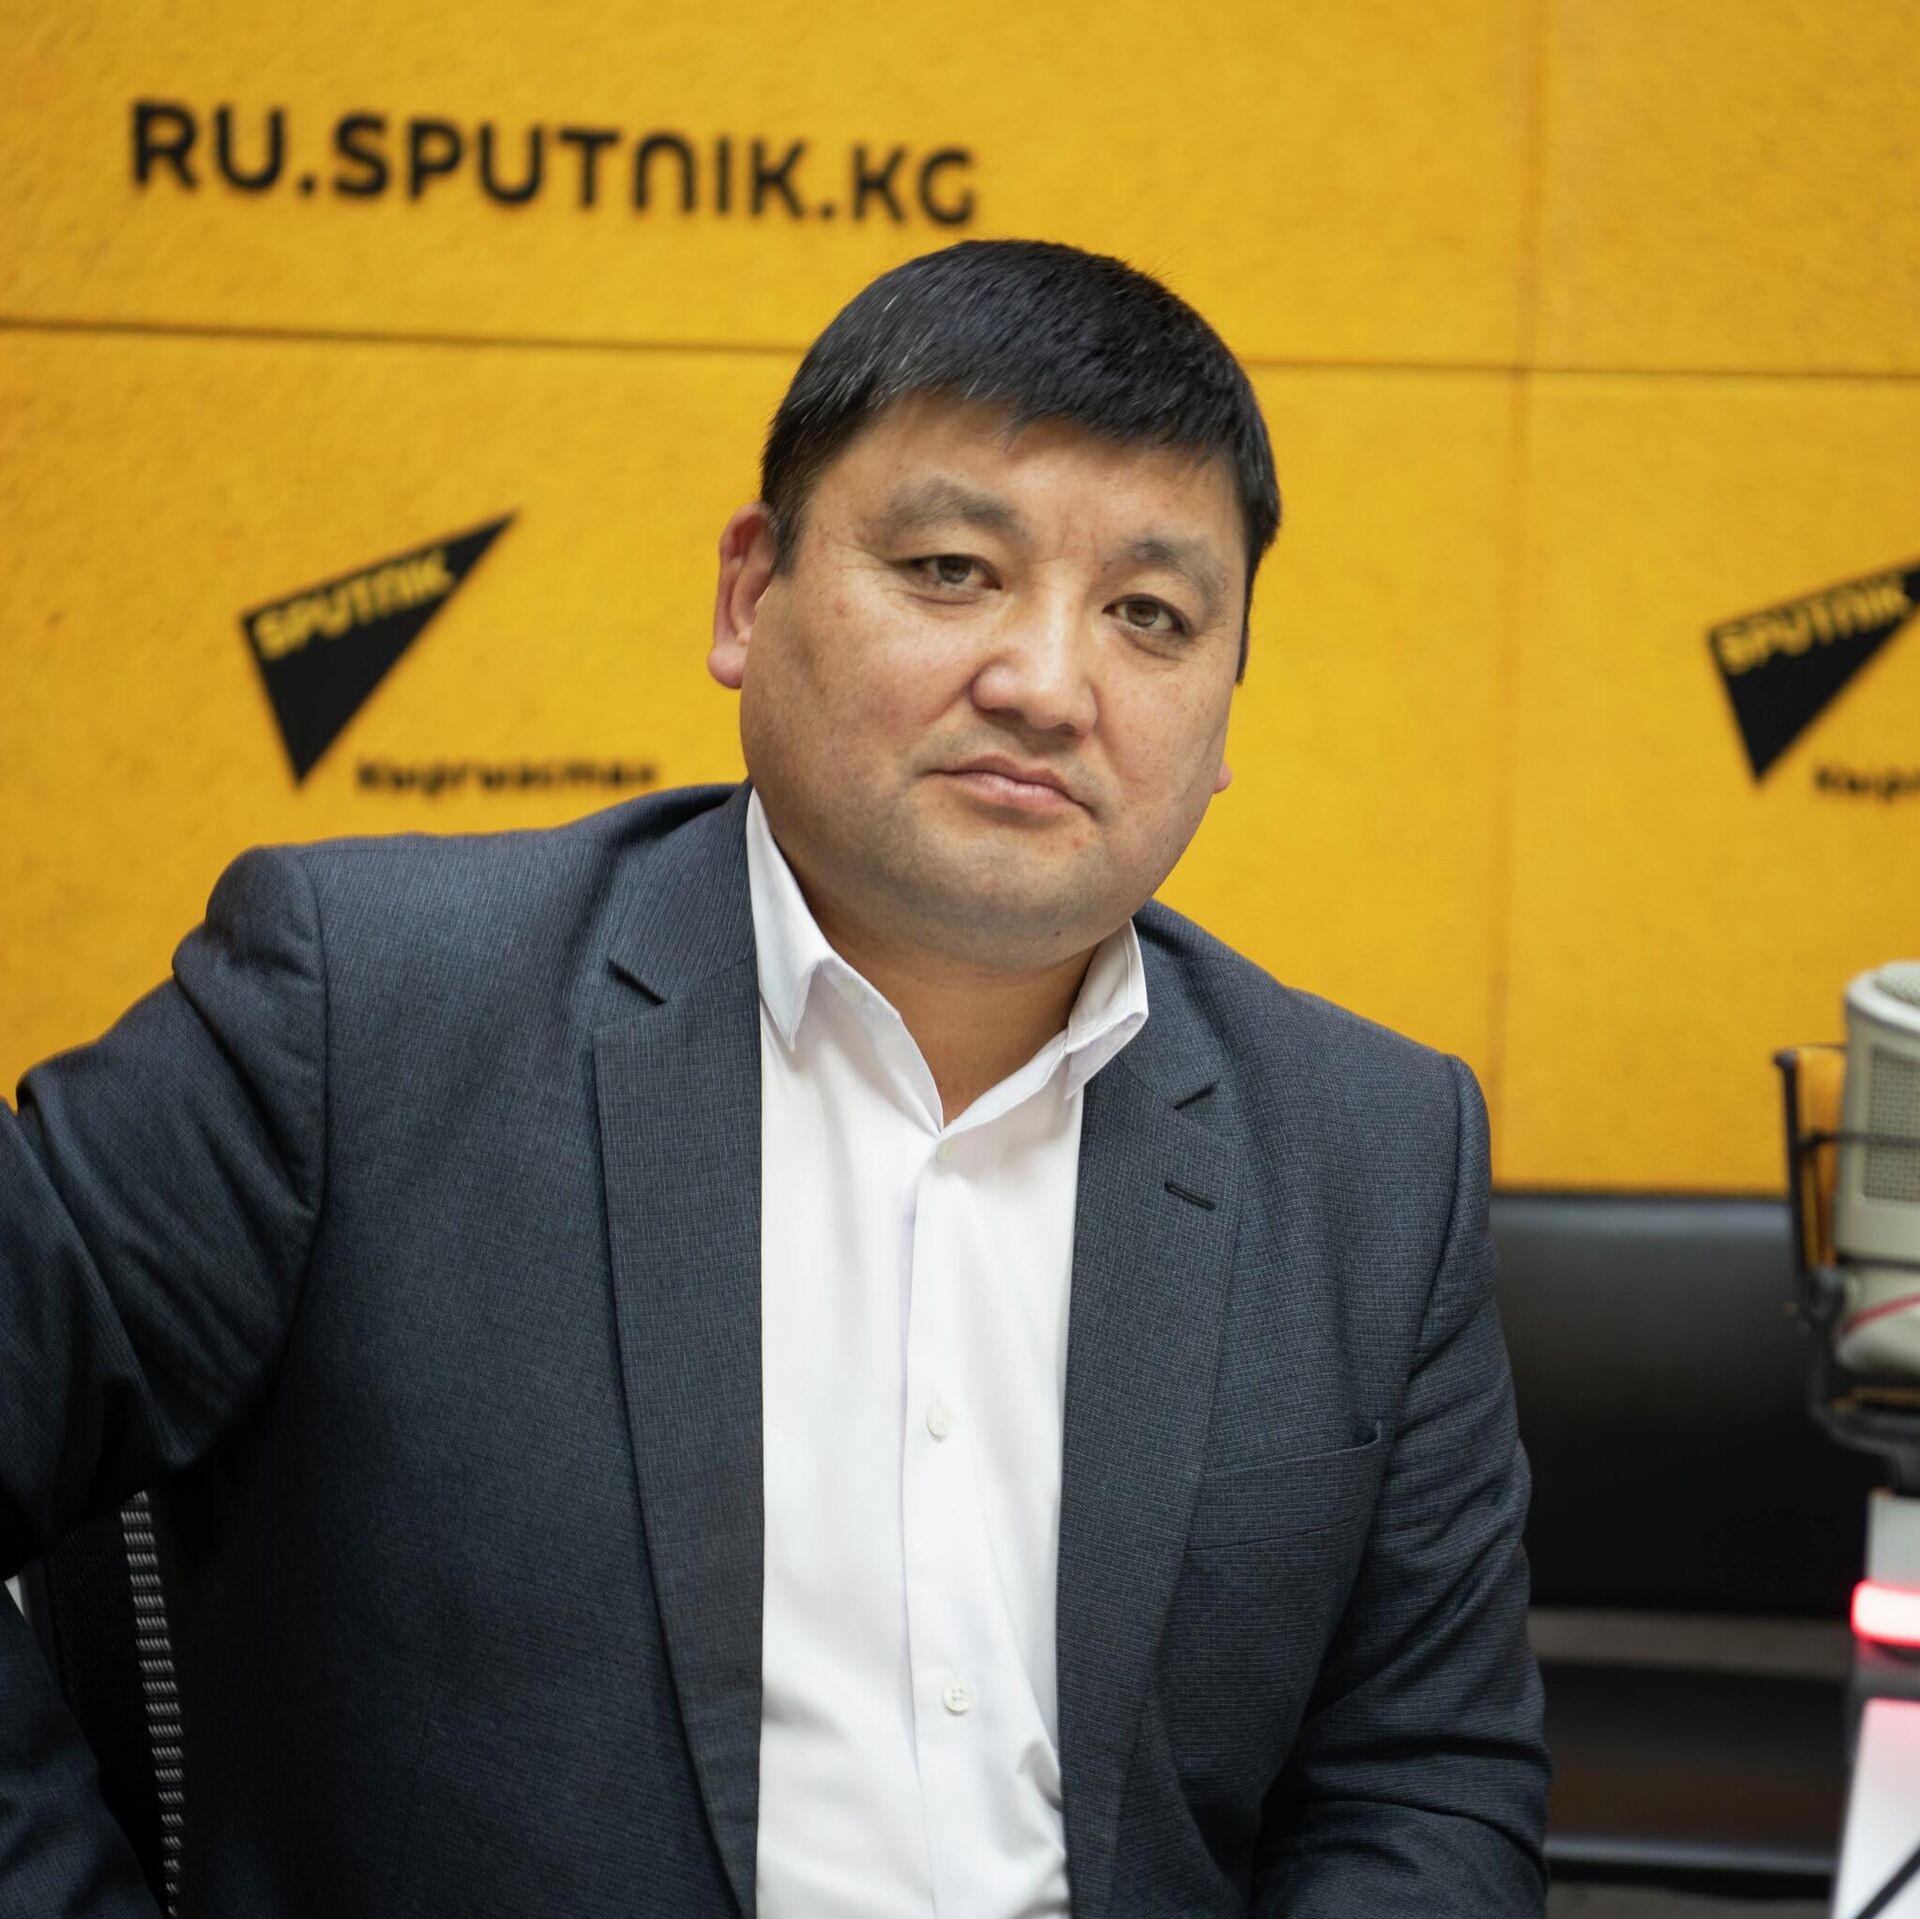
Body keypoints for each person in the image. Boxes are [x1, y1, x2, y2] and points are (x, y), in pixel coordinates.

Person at [1, 238, 1548, 1918]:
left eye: (1152, 618)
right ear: (751, 595)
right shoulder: (360, 1013)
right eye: (953, 570)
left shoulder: (1374, 1155)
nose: (1047, 684)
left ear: (1227, 706)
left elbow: (1422, 1781)